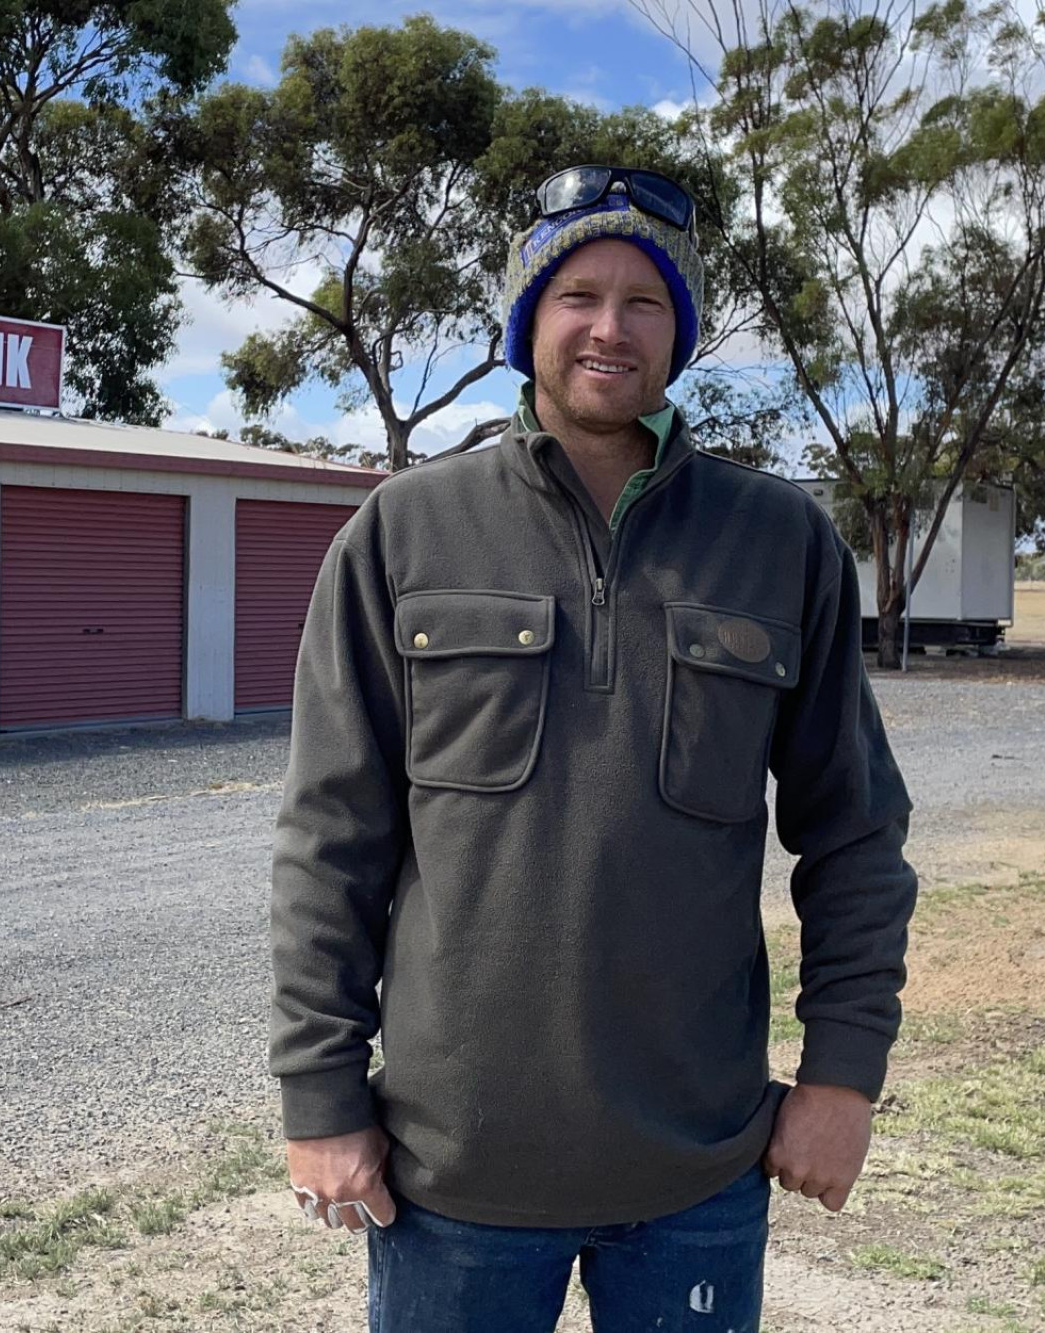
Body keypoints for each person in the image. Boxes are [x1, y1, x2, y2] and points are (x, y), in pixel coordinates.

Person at [267, 164, 918, 1332]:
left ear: (680, 333)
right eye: (576, 296)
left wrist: (840, 1072)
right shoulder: (401, 533)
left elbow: (856, 832)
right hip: (451, 1170)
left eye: (643, 301)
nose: (608, 328)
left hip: (697, 1168)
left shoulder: (780, 543)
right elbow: (329, 839)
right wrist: (319, 1089)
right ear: (527, 321)